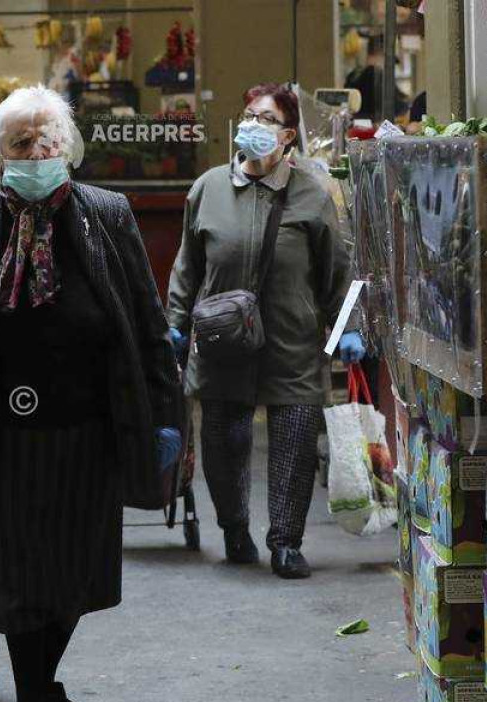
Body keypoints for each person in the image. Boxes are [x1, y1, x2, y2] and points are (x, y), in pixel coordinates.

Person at [0, 85, 183, 702]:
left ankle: (40, 681)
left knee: (74, 567)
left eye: (47, 142)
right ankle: (32, 701)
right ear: (0, 155)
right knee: (9, 569)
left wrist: (163, 413)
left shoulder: (109, 214)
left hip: (88, 428)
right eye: (20, 144)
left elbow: (146, 322)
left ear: (69, 149)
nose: (36, 153)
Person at [166, 83, 365, 580]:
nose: (253, 125)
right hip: (221, 342)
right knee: (223, 442)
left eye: (267, 119)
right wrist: (173, 323)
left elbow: (337, 274)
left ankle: (286, 543)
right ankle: (234, 529)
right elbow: (186, 267)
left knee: (294, 443)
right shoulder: (208, 188)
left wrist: (347, 329)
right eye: (249, 114)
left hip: (291, 342)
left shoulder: (312, 197)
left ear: (289, 135)